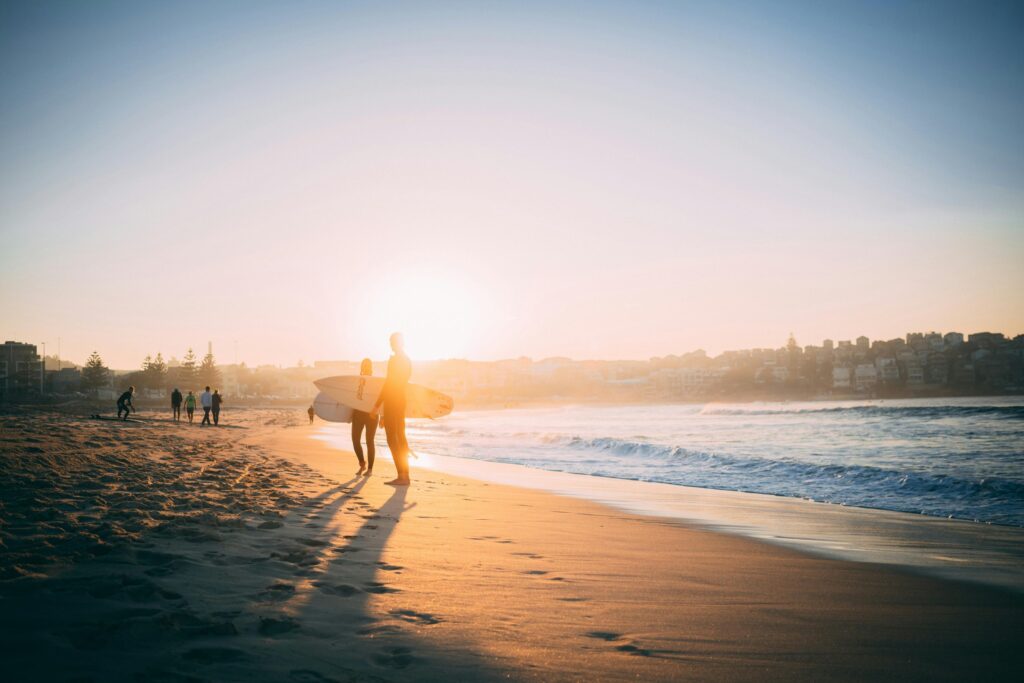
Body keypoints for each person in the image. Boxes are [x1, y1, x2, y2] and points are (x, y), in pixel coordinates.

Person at [372, 333, 412, 486]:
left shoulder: (395, 360)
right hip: (401, 400)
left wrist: (377, 406)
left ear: (397, 343)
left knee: (392, 438)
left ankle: (402, 476)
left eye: (391, 341)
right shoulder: (407, 360)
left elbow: (389, 383)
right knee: (401, 437)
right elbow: (403, 382)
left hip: (392, 401)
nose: (390, 344)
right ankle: (404, 475)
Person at [351, 358, 378, 476]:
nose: (366, 367)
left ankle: (370, 469)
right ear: (361, 367)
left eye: (368, 365)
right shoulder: (356, 380)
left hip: (371, 414)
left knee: (369, 441)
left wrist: (382, 415)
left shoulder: (376, 382)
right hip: (358, 413)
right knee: (355, 440)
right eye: (364, 365)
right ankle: (362, 463)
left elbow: (380, 399)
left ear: (371, 367)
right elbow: (352, 397)